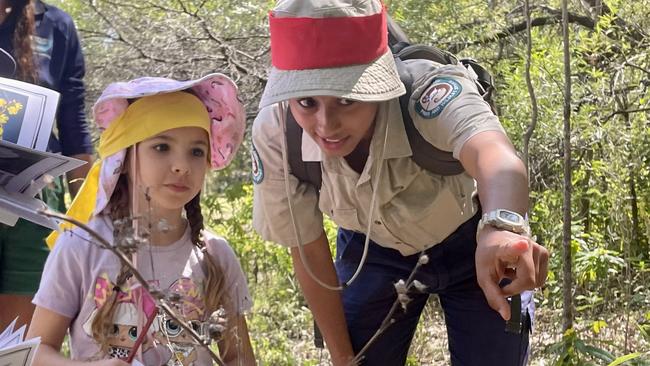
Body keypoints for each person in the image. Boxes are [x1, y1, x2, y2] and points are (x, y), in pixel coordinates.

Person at [251, 0, 549, 365]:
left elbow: (496, 158)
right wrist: (343, 357)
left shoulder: (428, 91)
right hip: (370, 252)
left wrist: (502, 228)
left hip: (475, 239)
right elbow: (308, 251)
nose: (326, 125)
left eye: (347, 98)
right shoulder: (277, 134)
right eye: (307, 101)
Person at [26, 73, 255, 365]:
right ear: (123, 159)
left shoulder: (214, 255)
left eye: (197, 151)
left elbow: (238, 357)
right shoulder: (82, 245)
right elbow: (37, 352)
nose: (182, 166)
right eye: (162, 147)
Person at [0, 0, 94, 331]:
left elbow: (74, 128)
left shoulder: (57, 25)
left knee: (16, 344)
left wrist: (89, 221)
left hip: (36, 205)